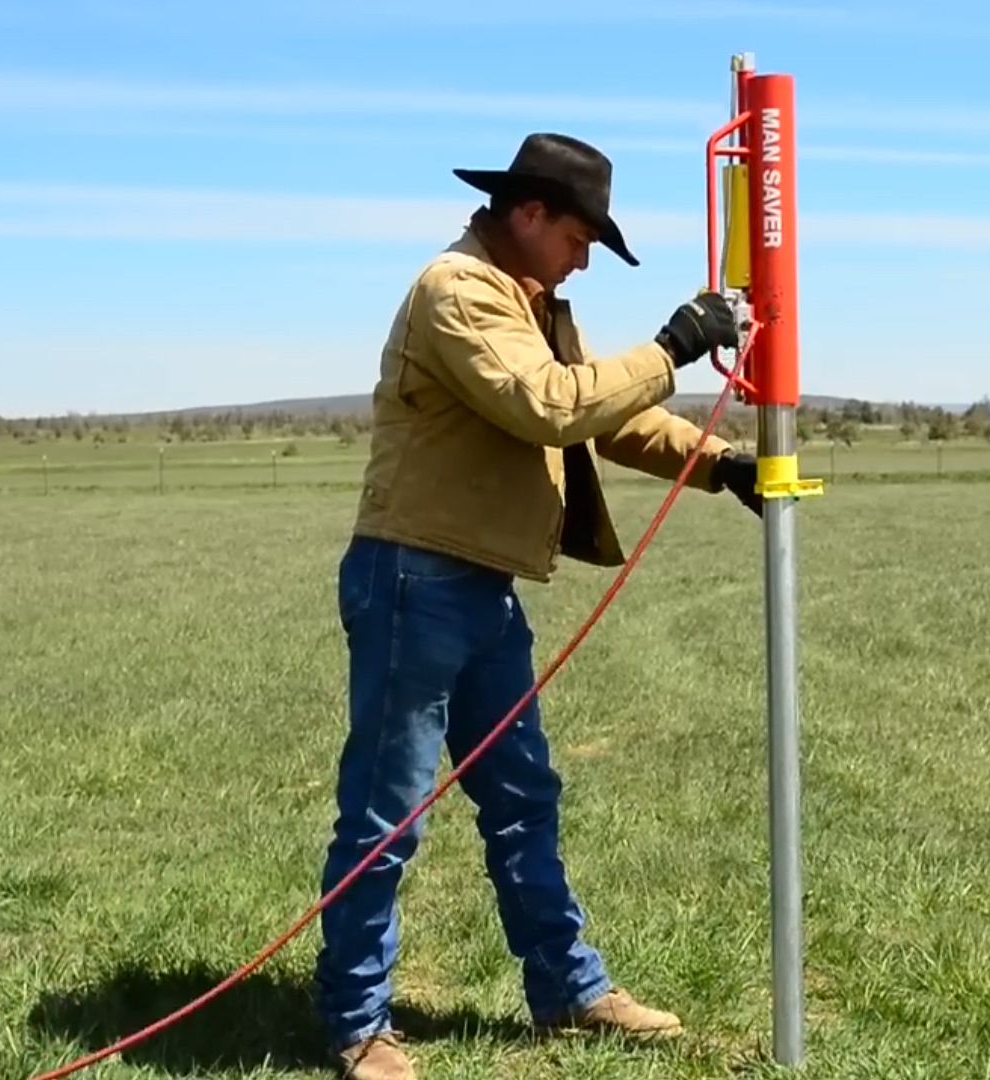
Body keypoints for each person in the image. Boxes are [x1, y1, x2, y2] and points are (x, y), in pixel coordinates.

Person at [315, 132, 764, 1080]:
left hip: (481, 584)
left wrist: (719, 464)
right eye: (580, 234)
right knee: (386, 815)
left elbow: (607, 413)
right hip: (414, 579)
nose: (586, 255)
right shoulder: (460, 292)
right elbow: (552, 407)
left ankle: (567, 990)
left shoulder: (533, 301)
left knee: (524, 799)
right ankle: (358, 1024)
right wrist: (676, 342)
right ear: (528, 214)